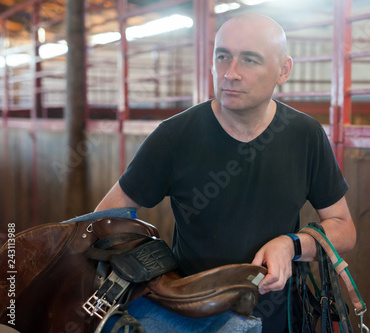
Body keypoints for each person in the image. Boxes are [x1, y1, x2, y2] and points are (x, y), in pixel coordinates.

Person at [95, 13, 356, 332]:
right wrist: (150, 276)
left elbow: (344, 229)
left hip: (279, 319)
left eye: (249, 59)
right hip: (190, 319)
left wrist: (292, 244)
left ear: (283, 70)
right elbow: (104, 217)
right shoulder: (174, 136)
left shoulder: (306, 135)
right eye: (222, 57)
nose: (230, 73)